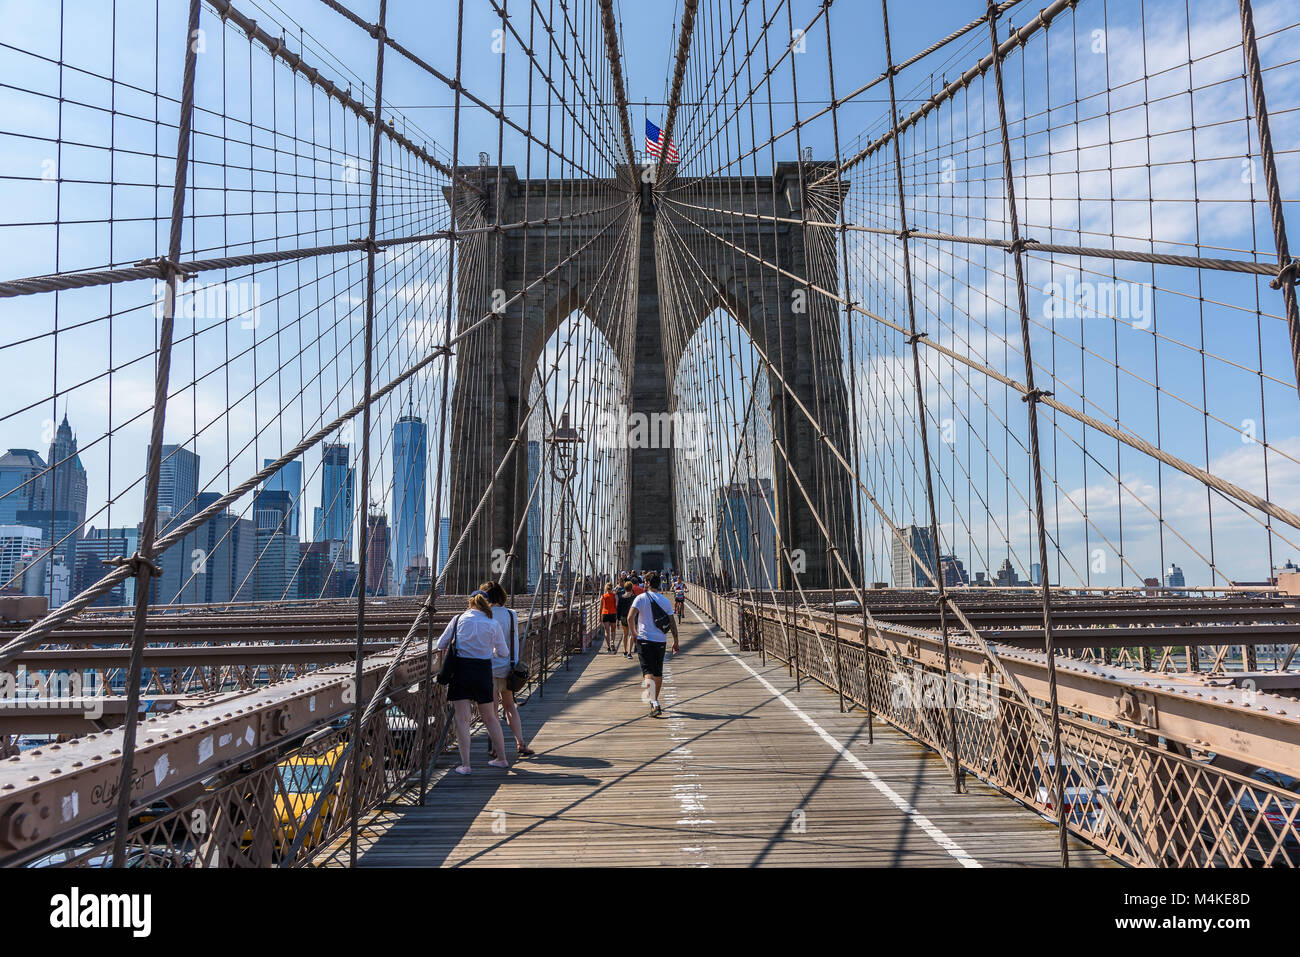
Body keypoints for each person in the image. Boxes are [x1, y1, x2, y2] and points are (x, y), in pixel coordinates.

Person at [434, 590, 511, 775]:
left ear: (470, 603)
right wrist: (488, 650)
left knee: (462, 719)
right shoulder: (492, 623)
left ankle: (466, 765)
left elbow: (440, 644)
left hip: (460, 671)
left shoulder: (458, 619)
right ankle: (502, 759)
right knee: (490, 718)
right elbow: (504, 653)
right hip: (483, 672)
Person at [480, 580, 536, 760]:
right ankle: (521, 742)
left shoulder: (483, 616)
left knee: (493, 711)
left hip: (489, 669)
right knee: (510, 706)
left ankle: (497, 749)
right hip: (509, 668)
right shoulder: (512, 615)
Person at [626, 571, 680, 717]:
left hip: (644, 640)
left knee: (647, 673)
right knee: (658, 672)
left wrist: (635, 634)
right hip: (660, 640)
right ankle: (655, 700)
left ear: (648, 583)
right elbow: (672, 623)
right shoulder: (665, 601)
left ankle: (654, 703)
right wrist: (676, 641)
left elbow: (630, 617)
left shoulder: (640, 598)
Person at [615, 576, 637, 658]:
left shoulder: (621, 598)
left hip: (623, 617)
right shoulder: (634, 597)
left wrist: (617, 620)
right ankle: (629, 652)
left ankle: (624, 651)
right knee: (631, 634)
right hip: (631, 617)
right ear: (631, 588)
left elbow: (618, 609)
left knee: (625, 634)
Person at [600, 582, 620, 653]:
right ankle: (612, 642)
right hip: (613, 613)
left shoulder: (603, 596)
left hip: (605, 614)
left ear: (606, 588)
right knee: (613, 630)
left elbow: (601, 607)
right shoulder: (615, 596)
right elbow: (617, 605)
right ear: (612, 588)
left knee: (606, 631)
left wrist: (600, 617)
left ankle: (608, 646)